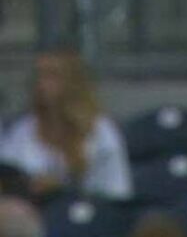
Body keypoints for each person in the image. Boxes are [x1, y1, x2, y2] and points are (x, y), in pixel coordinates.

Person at [0, 50, 132, 200]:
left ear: (73, 82)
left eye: (51, 76)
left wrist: (61, 190)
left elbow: (116, 194)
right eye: (39, 76)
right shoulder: (22, 131)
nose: (41, 84)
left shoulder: (101, 132)